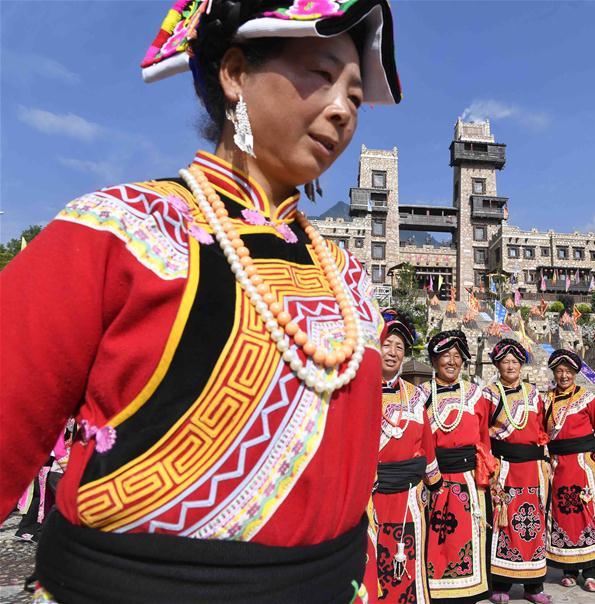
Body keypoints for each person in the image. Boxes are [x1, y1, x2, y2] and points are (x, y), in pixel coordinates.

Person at [0, 1, 401, 600]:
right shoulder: (116, 232)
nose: (343, 109)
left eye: (354, 92)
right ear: (235, 73)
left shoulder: (351, 280)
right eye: (320, 75)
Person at [544, 349, 595, 593]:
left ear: (576, 374)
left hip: (584, 465)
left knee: (588, 513)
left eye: (568, 371)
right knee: (563, 513)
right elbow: (540, 434)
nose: (564, 375)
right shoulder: (545, 400)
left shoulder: (587, 398)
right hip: (558, 466)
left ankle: (592, 571)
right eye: (559, 371)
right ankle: (568, 569)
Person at [422, 330, 494, 603]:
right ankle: (436, 592)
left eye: (457, 356)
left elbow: (484, 438)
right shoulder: (422, 395)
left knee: (468, 536)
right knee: (437, 539)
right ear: (433, 360)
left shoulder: (476, 395)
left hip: (468, 478)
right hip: (434, 478)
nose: (451, 361)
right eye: (445, 356)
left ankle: (469, 594)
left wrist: (488, 476)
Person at [375, 309, 442, 602]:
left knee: (407, 562)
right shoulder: (355, 391)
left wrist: (434, 483)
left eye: (399, 347)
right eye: (386, 344)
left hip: (409, 498)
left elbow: (426, 442)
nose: (392, 352)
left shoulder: (416, 396)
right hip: (371, 496)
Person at [483, 339, 552, 604]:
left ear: (521, 365)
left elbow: (541, 429)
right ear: (498, 364)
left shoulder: (534, 394)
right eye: (505, 361)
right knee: (505, 523)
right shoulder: (489, 394)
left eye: (515, 361)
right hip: (504, 469)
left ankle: (534, 587)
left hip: (533, 470)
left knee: (533, 525)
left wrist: (546, 458)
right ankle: (500, 584)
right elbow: (482, 432)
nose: (510, 365)